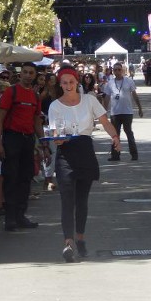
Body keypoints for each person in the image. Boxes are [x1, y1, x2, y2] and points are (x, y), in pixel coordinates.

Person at [48, 66, 121, 262]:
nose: (68, 85)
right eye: (64, 82)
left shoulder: (89, 100)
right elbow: (55, 133)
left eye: (71, 82)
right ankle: (68, 243)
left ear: (77, 82)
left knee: (81, 201)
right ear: (60, 84)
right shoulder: (55, 105)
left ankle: (80, 238)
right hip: (66, 155)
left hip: (85, 151)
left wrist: (115, 136)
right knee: (67, 201)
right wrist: (57, 139)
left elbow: (105, 121)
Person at [0, 62, 49, 231]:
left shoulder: (34, 96)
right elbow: (0, 119)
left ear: (35, 75)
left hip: (28, 140)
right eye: (25, 72)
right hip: (12, 138)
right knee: (11, 178)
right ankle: (10, 218)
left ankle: (20, 215)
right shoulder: (12, 91)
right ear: (20, 74)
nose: (27, 75)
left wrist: (44, 143)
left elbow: (36, 121)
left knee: (26, 177)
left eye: (30, 73)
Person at [103, 62, 143, 161]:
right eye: (115, 70)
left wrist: (140, 108)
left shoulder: (129, 81)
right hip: (115, 113)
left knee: (129, 133)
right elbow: (107, 98)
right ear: (113, 71)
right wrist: (103, 111)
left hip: (127, 112)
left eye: (119, 69)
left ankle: (134, 155)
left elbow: (134, 95)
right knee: (115, 134)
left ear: (123, 70)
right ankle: (115, 155)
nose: (117, 71)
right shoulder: (110, 83)